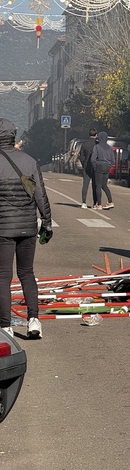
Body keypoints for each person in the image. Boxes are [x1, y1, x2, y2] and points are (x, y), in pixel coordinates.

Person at [0, 118, 52, 338]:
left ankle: (5, 326)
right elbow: (40, 194)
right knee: (27, 273)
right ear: (14, 137)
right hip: (28, 228)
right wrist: (46, 222)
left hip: (3, 229)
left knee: (3, 276)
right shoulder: (30, 161)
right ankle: (33, 320)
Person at [91, 131, 115, 210]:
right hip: (107, 167)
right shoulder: (109, 148)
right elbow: (113, 160)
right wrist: (109, 165)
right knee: (104, 185)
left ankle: (99, 204)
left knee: (98, 185)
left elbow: (93, 159)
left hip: (99, 166)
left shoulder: (97, 147)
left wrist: (95, 166)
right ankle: (110, 201)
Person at [79, 128, 98, 208]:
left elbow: (81, 156)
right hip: (95, 167)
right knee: (95, 185)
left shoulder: (84, 144)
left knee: (85, 185)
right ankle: (95, 203)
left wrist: (84, 164)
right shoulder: (97, 144)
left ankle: (83, 202)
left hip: (86, 167)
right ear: (96, 135)